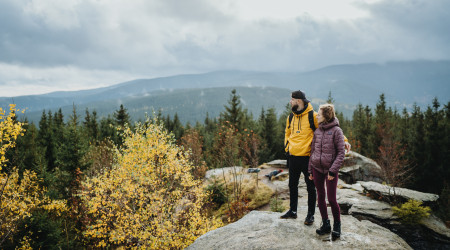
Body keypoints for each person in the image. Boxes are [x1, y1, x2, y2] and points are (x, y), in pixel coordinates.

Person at [280, 90, 350, 226]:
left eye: (292, 99)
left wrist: (345, 140)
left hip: (308, 158)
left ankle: (310, 215)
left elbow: (331, 127)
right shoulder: (290, 117)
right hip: (293, 156)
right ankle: (293, 211)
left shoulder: (313, 116)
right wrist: (287, 147)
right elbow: (287, 133)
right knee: (292, 185)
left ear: (298, 101)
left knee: (311, 188)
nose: (290, 102)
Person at [308, 103, 345, 239]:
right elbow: (312, 152)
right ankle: (326, 224)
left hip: (330, 171)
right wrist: (310, 170)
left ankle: (337, 225)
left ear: (326, 115)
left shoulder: (337, 131)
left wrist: (333, 171)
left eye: (319, 113)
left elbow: (341, 153)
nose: (317, 115)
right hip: (316, 168)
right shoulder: (317, 131)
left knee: (331, 199)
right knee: (320, 197)